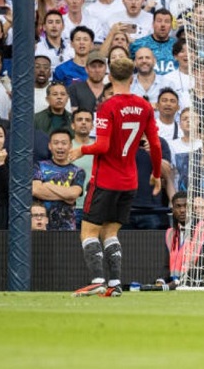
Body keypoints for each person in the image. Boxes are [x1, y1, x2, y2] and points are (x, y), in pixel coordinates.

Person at [69, 57, 162, 297]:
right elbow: (155, 145)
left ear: (110, 78)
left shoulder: (107, 107)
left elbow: (102, 145)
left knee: (89, 232)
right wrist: (156, 174)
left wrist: (81, 149)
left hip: (105, 180)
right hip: (129, 181)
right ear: (132, 78)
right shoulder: (145, 106)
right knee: (111, 233)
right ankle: (114, 284)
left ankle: (98, 280)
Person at [32, 128, 85, 231]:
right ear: (50, 146)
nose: (60, 146)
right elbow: (36, 190)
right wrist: (66, 196)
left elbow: (73, 195)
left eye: (64, 143)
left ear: (70, 146)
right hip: (42, 226)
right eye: (56, 143)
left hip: (67, 226)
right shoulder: (39, 166)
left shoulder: (78, 171)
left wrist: (47, 185)